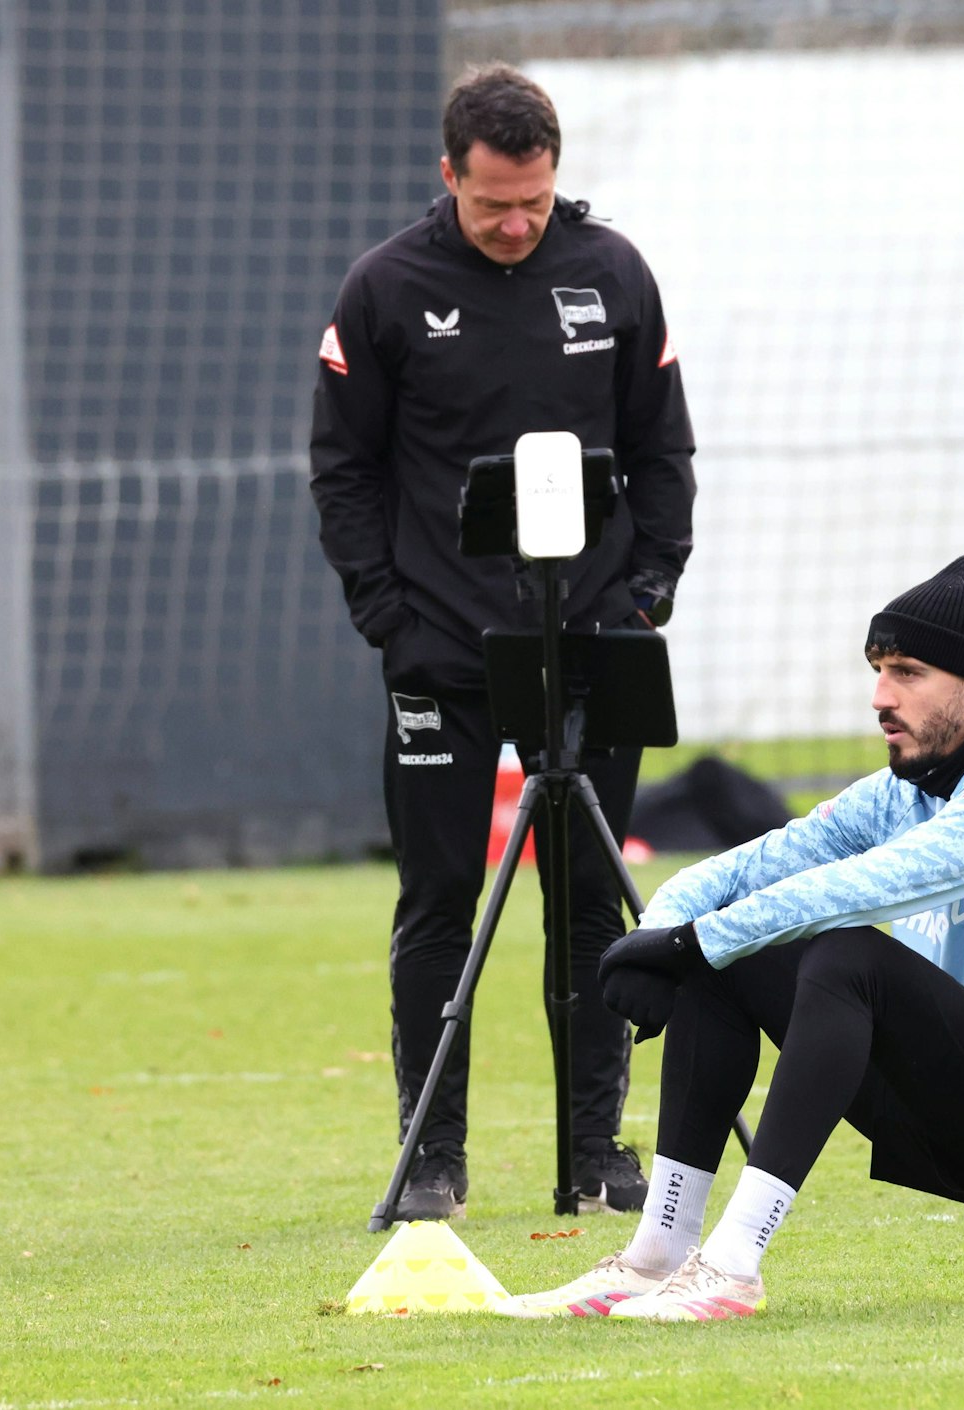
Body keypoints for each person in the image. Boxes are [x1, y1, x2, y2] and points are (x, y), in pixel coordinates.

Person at [499, 556, 964, 1320]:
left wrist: (698, 941)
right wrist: (662, 933)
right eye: (879, 669)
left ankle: (730, 1268)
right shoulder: (909, 784)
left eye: (908, 672)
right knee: (730, 956)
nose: (881, 697)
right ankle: (654, 1258)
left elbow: (869, 886)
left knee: (843, 953)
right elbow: (750, 868)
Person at [309, 63, 696, 1221]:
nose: (516, 224)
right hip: (442, 652)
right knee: (438, 898)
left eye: (532, 200)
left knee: (587, 904)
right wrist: (386, 616)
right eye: (492, 206)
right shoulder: (385, 289)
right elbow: (344, 470)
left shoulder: (614, 274)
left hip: (591, 644)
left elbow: (663, 450)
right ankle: (431, 1162)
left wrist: (646, 592)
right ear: (449, 176)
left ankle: (594, 1157)